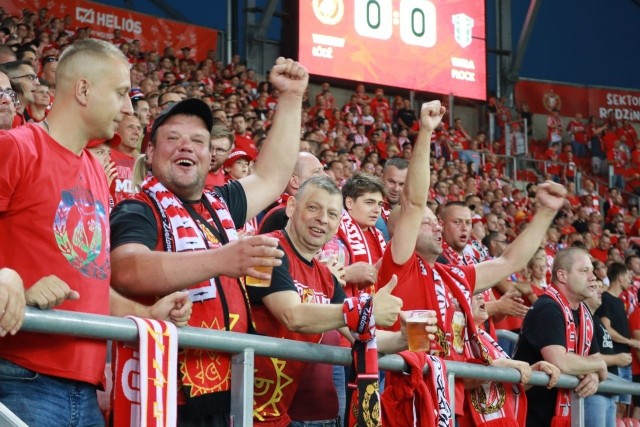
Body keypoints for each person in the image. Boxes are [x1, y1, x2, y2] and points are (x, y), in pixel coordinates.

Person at [0, 38, 191, 427]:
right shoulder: (16, 147)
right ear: (83, 89)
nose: (127, 108)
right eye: (121, 92)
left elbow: (89, 282)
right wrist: (7, 276)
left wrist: (146, 313)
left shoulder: (92, 169)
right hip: (21, 376)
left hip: (85, 388)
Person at [110, 57, 310, 426]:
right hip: (168, 394)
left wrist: (292, 97)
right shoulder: (137, 209)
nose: (187, 146)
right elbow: (126, 268)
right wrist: (220, 260)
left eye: (198, 141)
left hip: (232, 386)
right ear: (150, 153)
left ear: (208, 157)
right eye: (172, 138)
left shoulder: (221, 204)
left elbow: (271, 175)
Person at [378, 100, 567, 422]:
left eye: (437, 221)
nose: (437, 226)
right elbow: (412, 202)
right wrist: (425, 132)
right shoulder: (399, 265)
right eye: (427, 222)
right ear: (400, 232)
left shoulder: (452, 275)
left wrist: (547, 212)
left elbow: (509, 262)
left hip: (450, 405)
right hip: (409, 407)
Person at [248, 175, 420, 426]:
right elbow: (292, 316)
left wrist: (404, 339)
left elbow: (359, 334)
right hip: (252, 411)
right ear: (292, 207)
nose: (322, 219)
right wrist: (364, 311)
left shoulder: (325, 276)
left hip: (297, 415)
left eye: (332, 214)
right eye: (313, 208)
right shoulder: (266, 250)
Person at [514, 248, 608, 427]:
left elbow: (593, 359)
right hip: (530, 417)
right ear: (562, 276)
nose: (593, 276)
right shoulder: (548, 308)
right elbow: (560, 362)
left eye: (592, 271)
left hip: (558, 417)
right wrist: (599, 366)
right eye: (584, 270)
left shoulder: (585, 313)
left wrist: (594, 375)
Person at [458, 293, 561, 427]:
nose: (481, 297)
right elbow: (460, 380)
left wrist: (533, 370)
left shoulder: (484, 336)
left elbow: (501, 388)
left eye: (481, 293)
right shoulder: (455, 337)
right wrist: (501, 366)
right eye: (473, 294)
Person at [584, 279, 630, 427]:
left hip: (608, 390)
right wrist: (616, 359)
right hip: (595, 392)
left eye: (600, 287)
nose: (600, 291)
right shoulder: (583, 319)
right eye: (594, 287)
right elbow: (585, 357)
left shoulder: (596, 319)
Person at [595, 262, 639, 417]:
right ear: (620, 278)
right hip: (615, 359)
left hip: (625, 360)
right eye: (627, 276)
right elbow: (607, 329)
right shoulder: (605, 298)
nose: (630, 280)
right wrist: (630, 341)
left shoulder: (620, 302)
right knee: (613, 406)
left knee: (622, 408)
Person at [375, 158, 408, 241]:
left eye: (401, 184)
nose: (396, 188)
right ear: (381, 178)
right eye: (391, 182)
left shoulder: (411, 210)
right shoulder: (370, 206)